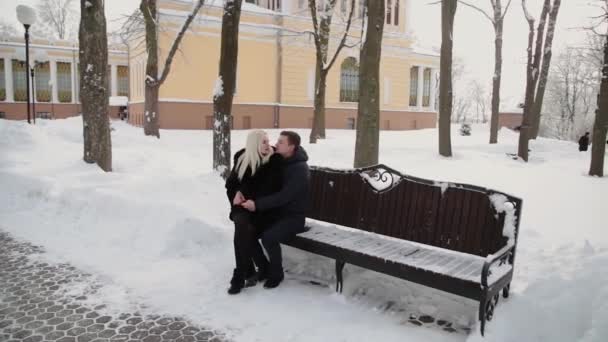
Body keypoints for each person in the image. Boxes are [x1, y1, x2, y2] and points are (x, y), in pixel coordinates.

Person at [241, 131, 310, 289]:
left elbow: (284, 196)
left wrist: (257, 205)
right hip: (276, 214)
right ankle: (264, 268)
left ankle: (276, 274)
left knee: (269, 237)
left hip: (293, 218)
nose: (275, 144)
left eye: (280, 142)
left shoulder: (299, 169)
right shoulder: (280, 160)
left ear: (291, 147)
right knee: (247, 231)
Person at [225, 130, 282, 295]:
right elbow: (231, 184)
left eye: (268, 141)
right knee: (242, 224)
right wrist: (236, 194)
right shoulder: (242, 158)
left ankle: (242, 275)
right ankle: (256, 269)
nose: (268, 145)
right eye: (263, 141)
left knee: (244, 229)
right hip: (242, 206)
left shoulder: (273, 161)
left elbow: (270, 188)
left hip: (263, 209)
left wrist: (251, 199)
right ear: (254, 144)